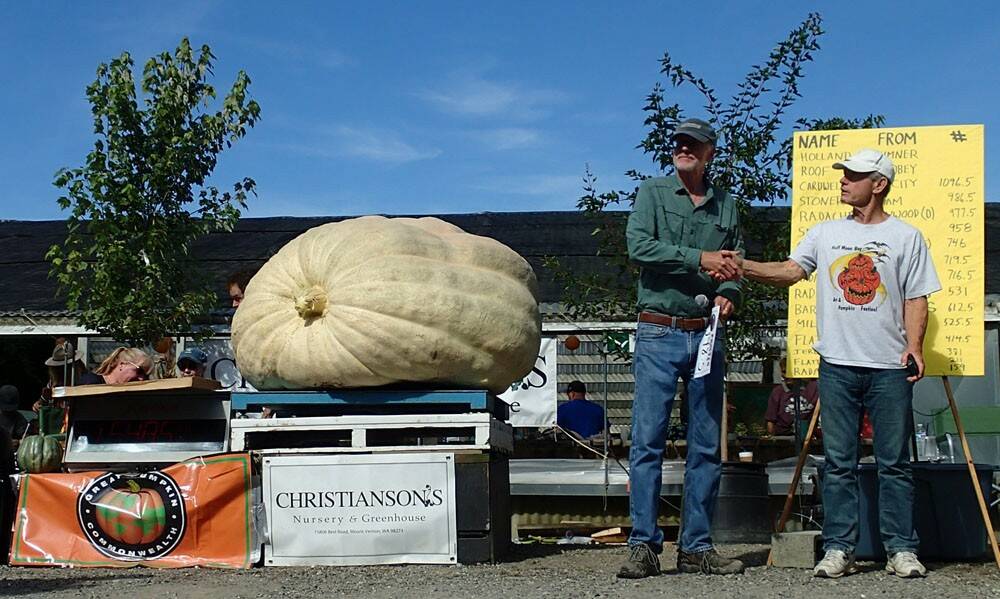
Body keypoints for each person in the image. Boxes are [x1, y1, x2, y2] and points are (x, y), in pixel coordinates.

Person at [740, 148, 940, 579]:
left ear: (880, 184)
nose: (844, 180)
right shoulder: (825, 232)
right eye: (844, 173)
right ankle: (839, 549)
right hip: (836, 364)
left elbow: (916, 297)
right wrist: (741, 267)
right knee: (838, 462)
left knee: (895, 464)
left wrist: (916, 347)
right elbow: (791, 271)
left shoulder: (907, 236)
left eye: (855, 175)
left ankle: (901, 550)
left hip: (889, 366)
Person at [619, 118, 746, 578]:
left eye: (693, 143)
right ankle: (643, 547)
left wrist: (729, 293)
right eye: (679, 143)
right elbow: (639, 247)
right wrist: (699, 259)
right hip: (658, 330)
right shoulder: (652, 194)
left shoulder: (727, 205)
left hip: (707, 334)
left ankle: (696, 547)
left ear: (711, 151)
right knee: (648, 441)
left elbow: (734, 263)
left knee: (706, 445)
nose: (683, 148)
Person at [765, 358, 819, 437]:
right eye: (784, 372)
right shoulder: (777, 392)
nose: (787, 375)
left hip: (807, 436)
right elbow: (771, 420)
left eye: (790, 371)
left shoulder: (813, 388)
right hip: (783, 436)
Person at [79, 347, 153, 385]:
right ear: (122, 365)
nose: (142, 378)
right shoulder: (90, 382)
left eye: (146, 376)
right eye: (139, 371)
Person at [0, 385, 28, 451]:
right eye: (5, 410)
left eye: (10, 411)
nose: (8, 413)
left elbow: (25, 434)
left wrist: (21, 441)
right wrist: (7, 443)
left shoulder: (18, 418)